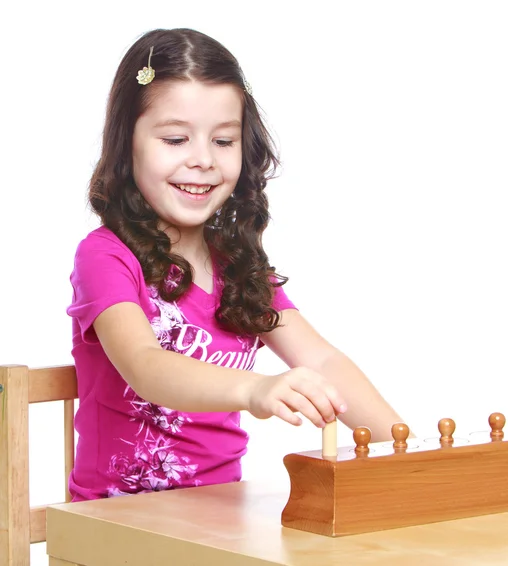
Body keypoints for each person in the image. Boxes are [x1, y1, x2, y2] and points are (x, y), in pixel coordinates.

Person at [66, 27, 405, 501]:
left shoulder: (238, 266)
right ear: (128, 145)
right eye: (176, 139)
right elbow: (145, 366)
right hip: (117, 522)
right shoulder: (106, 256)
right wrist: (255, 389)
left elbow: (322, 360)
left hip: (217, 517)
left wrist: (405, 450)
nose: (203, 160)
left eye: (223, 142)